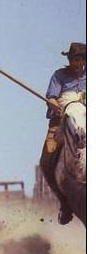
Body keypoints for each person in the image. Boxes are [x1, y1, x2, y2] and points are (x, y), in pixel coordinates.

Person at [40, 42, 86, 225]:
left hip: (87, 120)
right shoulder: (59, 76)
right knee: (46, 160)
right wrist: (52, 102)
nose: (79, 62)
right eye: (76, 58)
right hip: (60, 123)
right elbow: (51, 96)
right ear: (69, 59)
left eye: (82, 59)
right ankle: (64, 203)